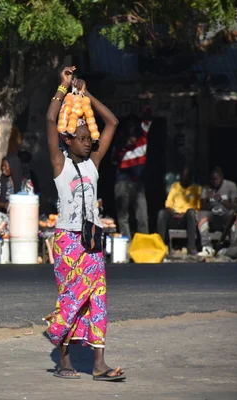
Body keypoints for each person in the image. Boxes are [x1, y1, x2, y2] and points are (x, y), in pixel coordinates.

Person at [43, 66, 125, 381]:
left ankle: (99, 364)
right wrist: (63, 89)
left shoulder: (94, 164)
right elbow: (50, 120)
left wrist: (86, 94)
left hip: (91, 241)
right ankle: (63, 359)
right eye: (81, 138)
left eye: (89, 137)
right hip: (67, 241)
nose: (88, 141)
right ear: (68, 140)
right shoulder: (58, 164)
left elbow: (113, 122)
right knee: (72, 298)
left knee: (97, 297)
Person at [112, 113, 150, 239]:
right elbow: (113, 161)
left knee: (142, 215)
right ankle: (126, 245)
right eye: (130, 131)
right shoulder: (120, 143)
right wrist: (123, 147)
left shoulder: (142, 139)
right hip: (122, 182)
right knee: (123, 216)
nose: (133, 136)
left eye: (134, 130)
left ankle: (144, 245)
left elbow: (148, 118)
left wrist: (147, 98)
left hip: (138, 183)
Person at [157, 165, 201, 255]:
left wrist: (184, 213)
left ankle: (191, 248)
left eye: (186, 178)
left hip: (187, 218)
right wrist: (173, 212)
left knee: (191, 213)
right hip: (175, 216)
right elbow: (168, 204)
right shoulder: (175, 186)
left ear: (190, 178)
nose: (184, 180)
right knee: (162, 213)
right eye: (182, 177)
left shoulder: (197, 189)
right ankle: (160, 246)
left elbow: (198, 207)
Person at [197, 166, 237, 257]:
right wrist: (209, 198)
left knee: (234, 215)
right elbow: (203, 207)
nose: (215, 182)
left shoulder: (231, 186)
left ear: (221, 177)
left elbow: (236, 206)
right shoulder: (207, 188)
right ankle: (207, 247)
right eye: (213, 180)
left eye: (217, 179)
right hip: (214, 218)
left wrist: (221, 200)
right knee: (201, 214)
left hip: (227, 217)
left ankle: (234, 247)